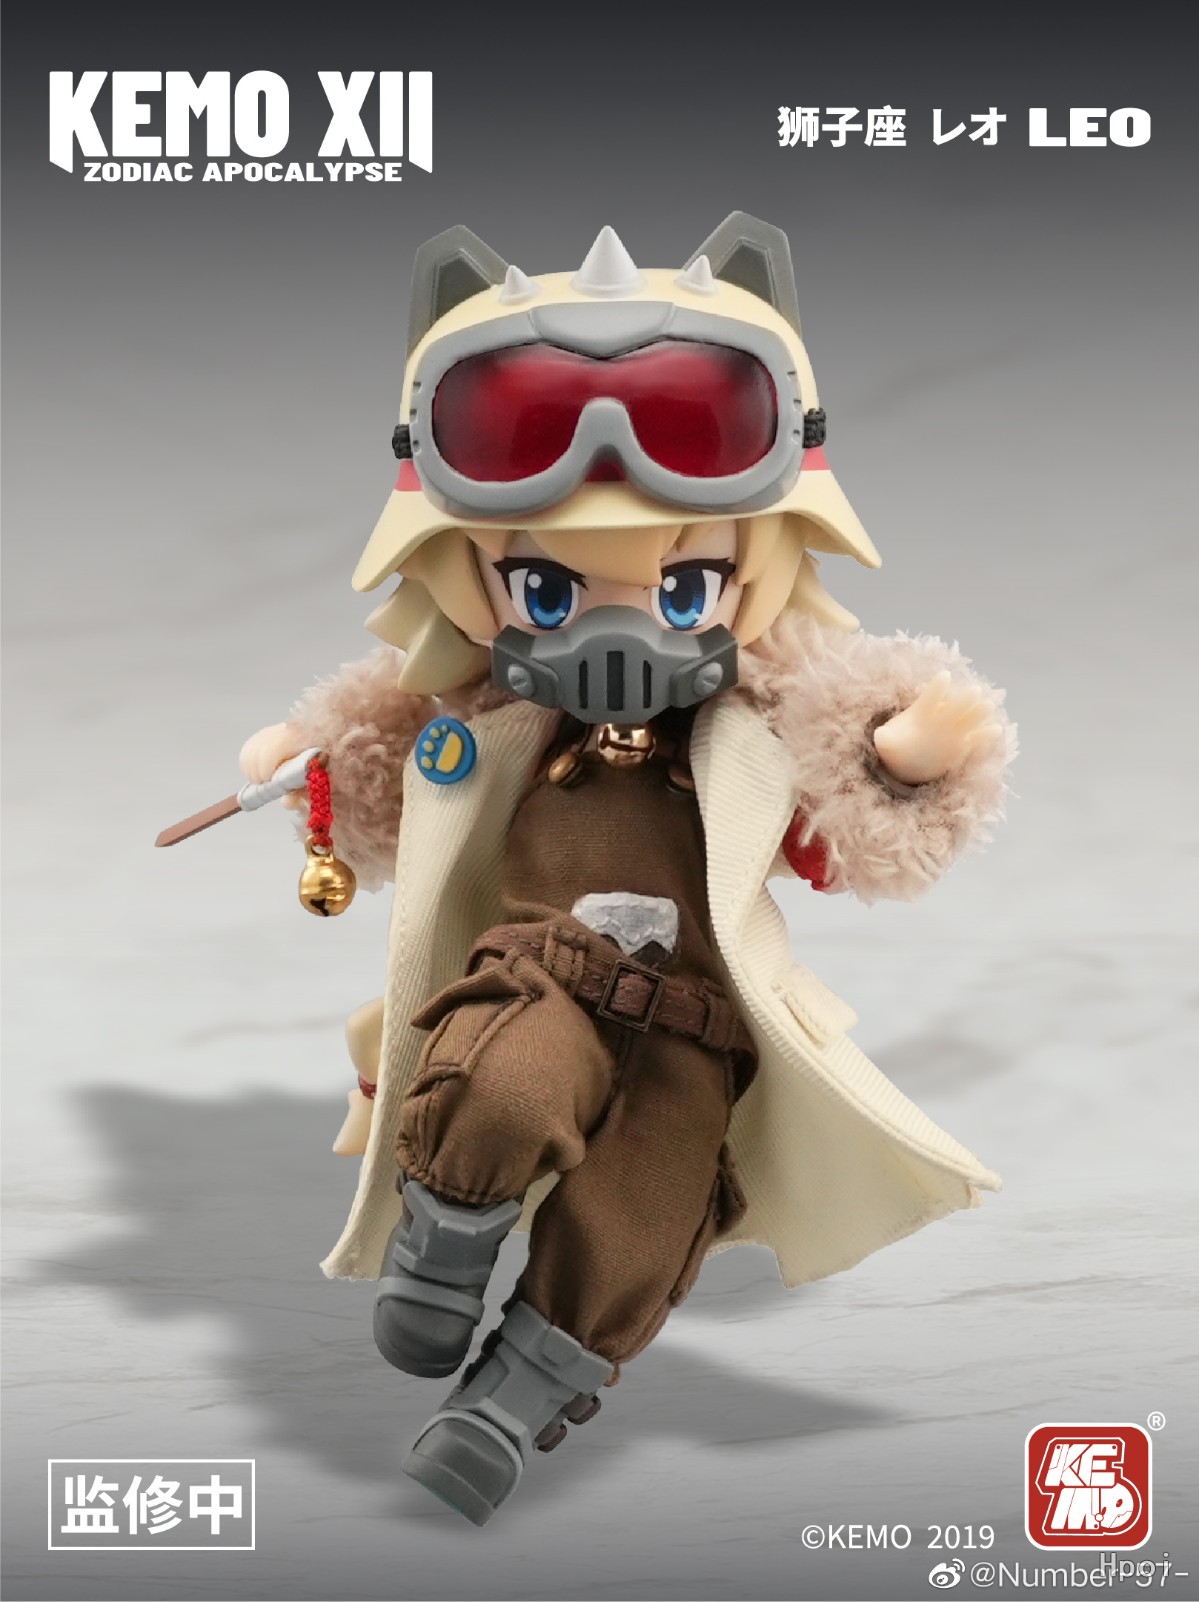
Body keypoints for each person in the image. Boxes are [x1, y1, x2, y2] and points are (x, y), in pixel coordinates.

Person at [239, 213, 1015, 1525]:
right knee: (498, 1077)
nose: (620, 634)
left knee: (643, 1218)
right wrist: (313, 758)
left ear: (755, 564)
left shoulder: (752, 737)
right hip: (541, 970)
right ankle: (445, 1242)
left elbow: (841, 826)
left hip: (695, 1032)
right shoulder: (495, 720)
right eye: (547, 593)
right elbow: (389, 762)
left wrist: (902, 758)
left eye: (681, 589)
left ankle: (514, 1398)